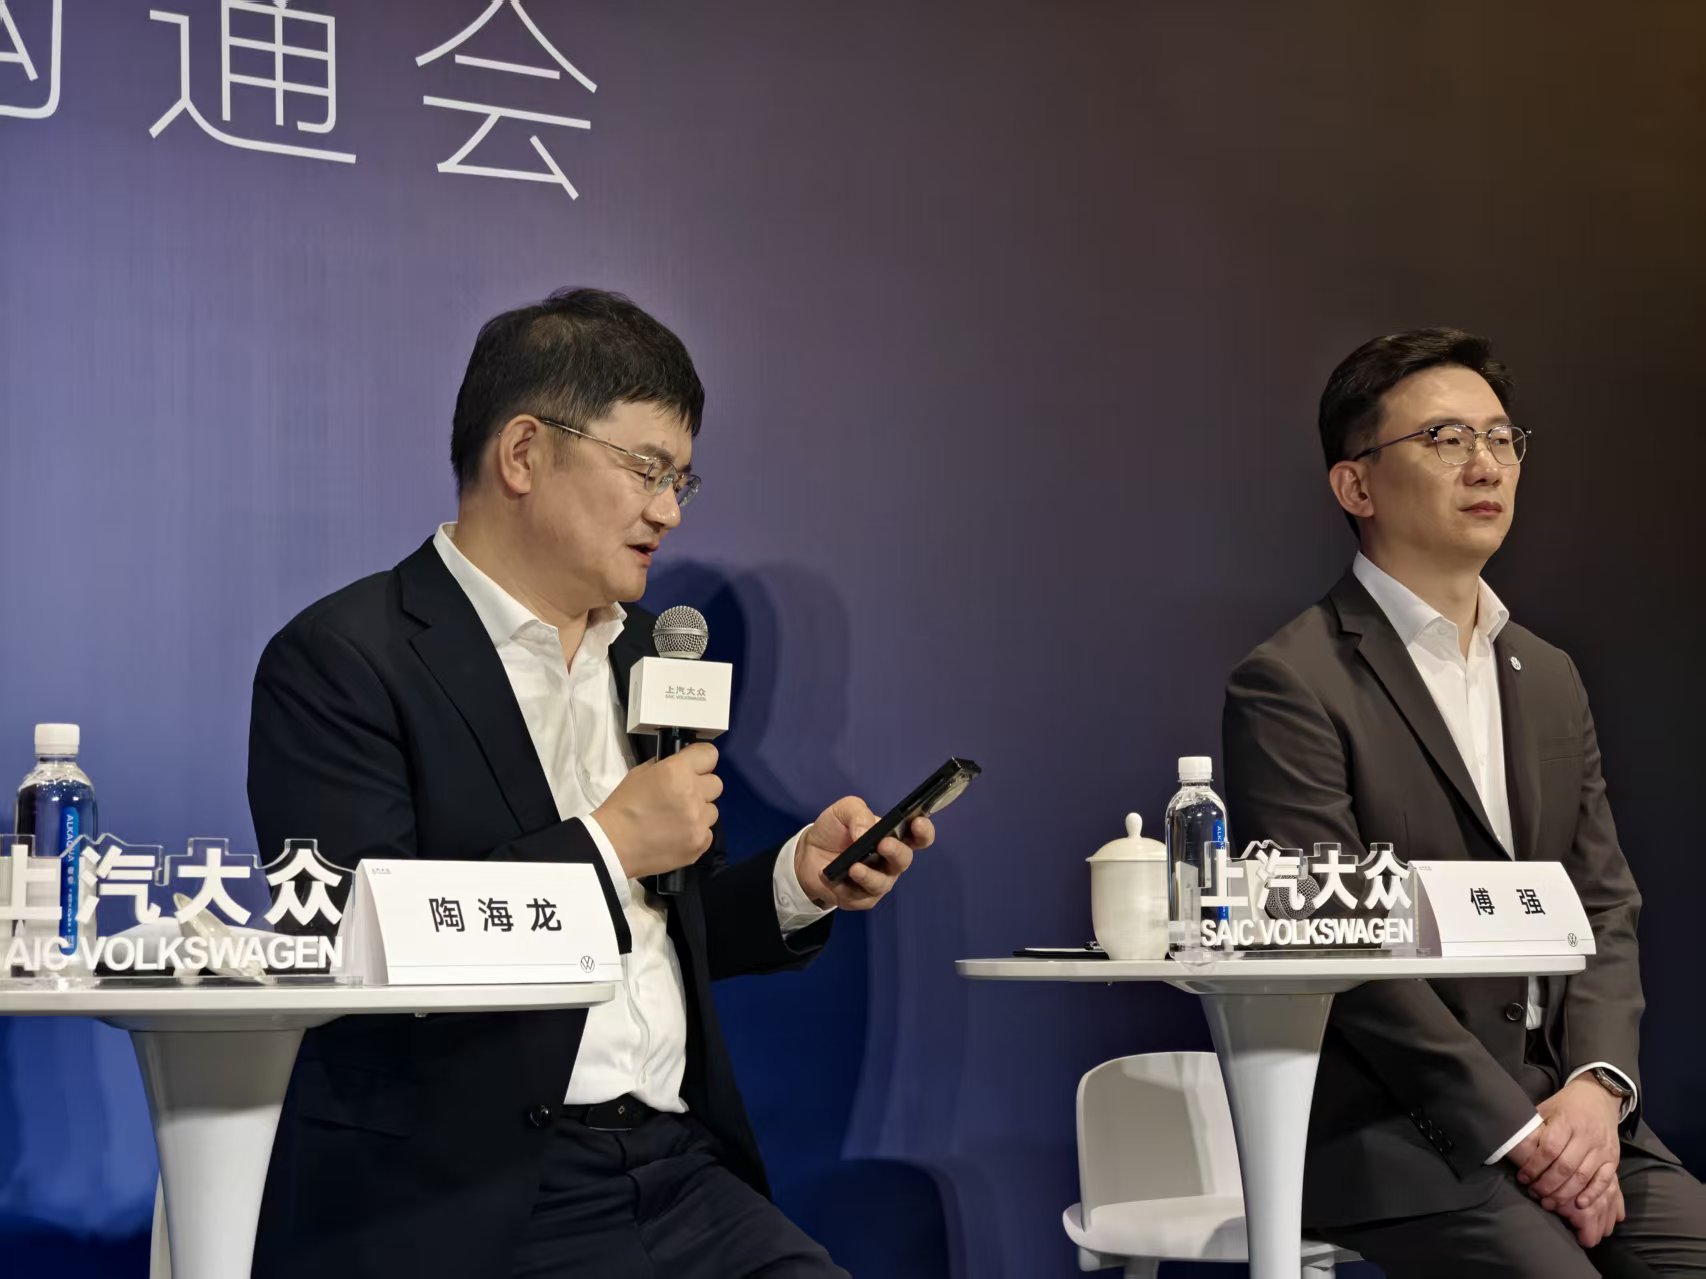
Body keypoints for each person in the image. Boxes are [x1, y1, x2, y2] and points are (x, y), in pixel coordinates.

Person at [248, 288, 933, 1278]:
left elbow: (667, 924)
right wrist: (607, 844)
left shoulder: (649, 652)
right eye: (645, 469)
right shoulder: (344, 659)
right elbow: (355, 939)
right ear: (524, 453)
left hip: (677, 1172)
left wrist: (797, 881)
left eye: (682, 480)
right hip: (465, 1192)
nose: (667, 510)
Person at [1221, 328, 1705, 1275]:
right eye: (1445, 438)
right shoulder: (1291, 680)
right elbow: (1341, 949)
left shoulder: (1550, 674)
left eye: (1501, 437)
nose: (1486, 464)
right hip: (1408, 1142)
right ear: (1355, 486)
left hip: (1577, 1121)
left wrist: (1597, 1091)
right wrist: (1518, 1133)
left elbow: (1604, 904)